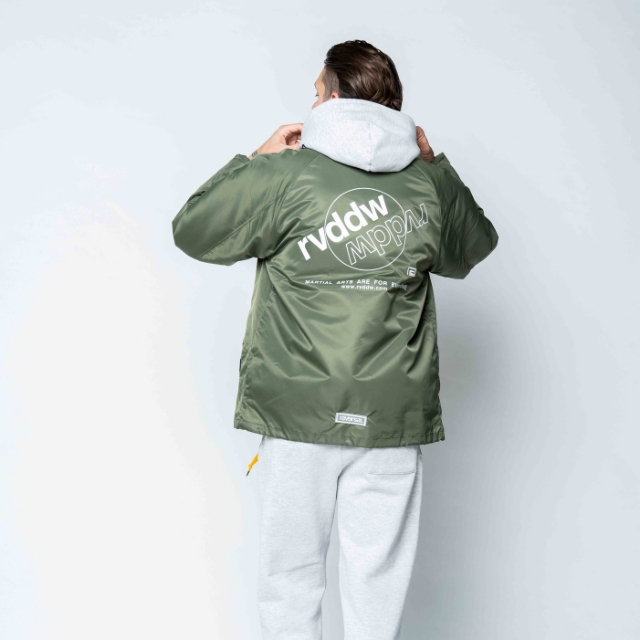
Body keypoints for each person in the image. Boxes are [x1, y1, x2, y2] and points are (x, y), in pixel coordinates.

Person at [172, 39, 498, 640]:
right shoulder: (426, 185)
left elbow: (194, 231)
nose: (313, 102)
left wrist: (256, 158)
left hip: (298, 411)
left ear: (336, 96)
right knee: (377, 586)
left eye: (318, 91)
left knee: (290, 581)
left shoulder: (284, 175)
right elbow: (474, 247)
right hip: (390, 417)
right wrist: (435, 165)